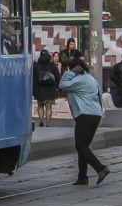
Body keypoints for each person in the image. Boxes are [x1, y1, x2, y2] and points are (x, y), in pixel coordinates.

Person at [59, 52, 111, 186]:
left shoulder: (79, 80)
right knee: (84, 146)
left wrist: (69, 73)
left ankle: (100, 168)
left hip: (85, 114)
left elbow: (63, 85)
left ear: (76, 69)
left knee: (80, 146)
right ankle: (82, 177)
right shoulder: (90, 78)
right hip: (94, 114)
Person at [32, 50, 60, 127]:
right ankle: (48, 123)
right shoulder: (52, 65)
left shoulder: (36, 65)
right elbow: (58, 77)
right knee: (49, 106)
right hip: (50, 89)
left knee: (40, 105)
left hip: (39, 89)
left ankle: (41, 121)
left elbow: (33, 78)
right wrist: (59, 87)